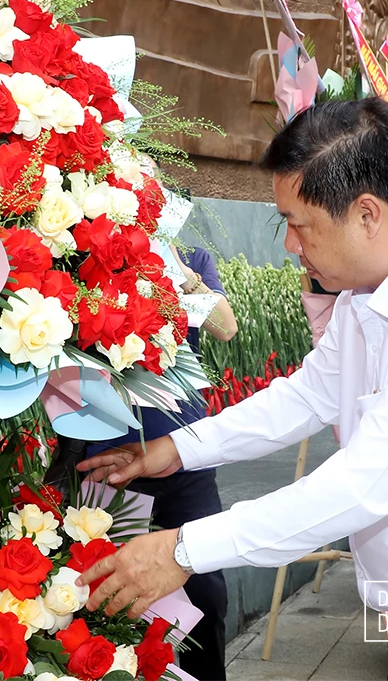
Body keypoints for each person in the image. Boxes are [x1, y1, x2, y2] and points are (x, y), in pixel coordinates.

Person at [77, 98, 388, 680]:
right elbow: (308, 394)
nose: (292, 245)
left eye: (298, 224)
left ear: (367, 215)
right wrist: (178, 449)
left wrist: (183, 550)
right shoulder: (369, 293)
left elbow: (362, 485)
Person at [84, 242, 238, 681]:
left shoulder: (193, 256)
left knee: (206, 590)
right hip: (112, 461)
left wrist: (180, 272)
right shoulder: (93, 247)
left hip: (186, 453)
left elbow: (225, 326)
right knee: (119, 594)